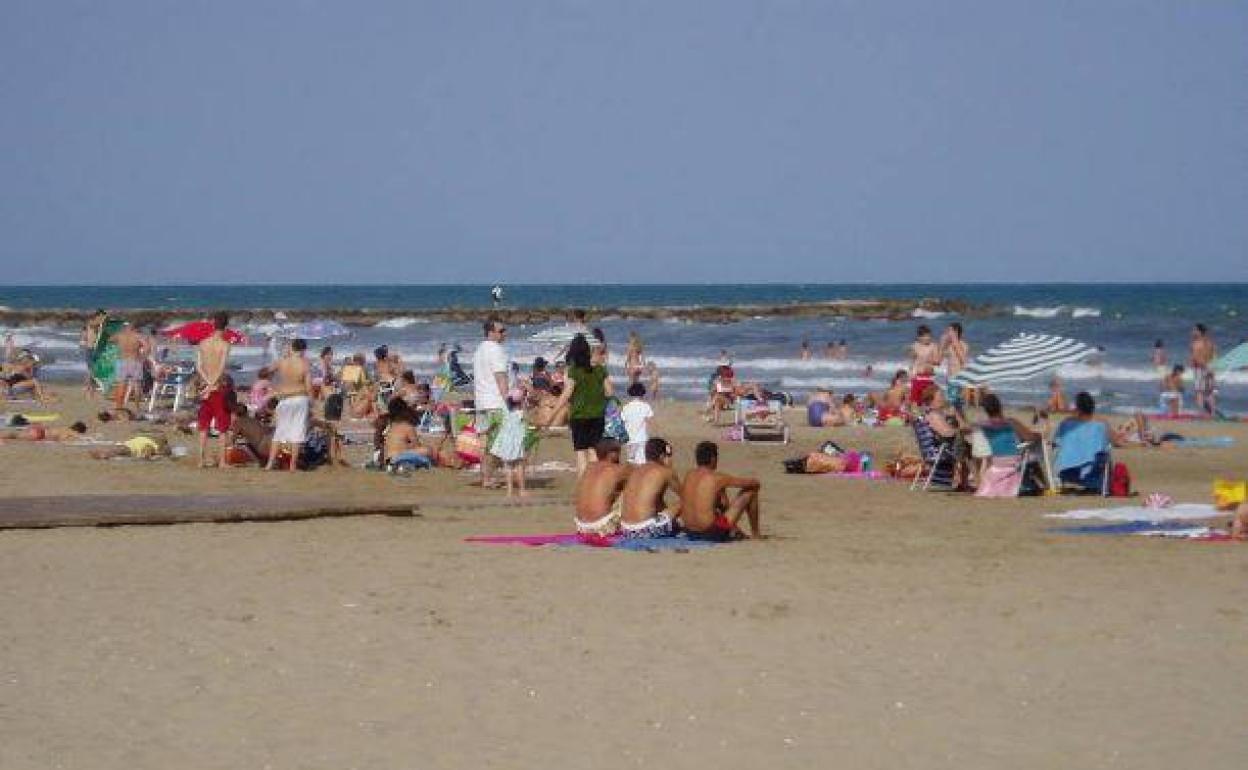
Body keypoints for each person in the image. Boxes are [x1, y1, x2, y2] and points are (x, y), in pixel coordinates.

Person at [544, 333, 612, 474]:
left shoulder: (574, 372)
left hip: (579, 415)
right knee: (593, 450)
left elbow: (566, 395)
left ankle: (583, 485)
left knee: (581, 452)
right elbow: (609, 392)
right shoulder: (600, 369)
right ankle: (594, 483)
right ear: (588, 351)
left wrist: (552, 416)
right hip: (598, 415)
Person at [680, 441, 761, 539]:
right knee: (751, 492)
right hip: (710, 532)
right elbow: (754, 483)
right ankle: (756, 534)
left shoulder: (689, 474)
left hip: (689, 531)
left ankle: (737, 531)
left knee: (716, 500)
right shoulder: (718, 478)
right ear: (713, 458)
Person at [972, 393, 1040, 498]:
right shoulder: (1011, 422)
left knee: (1023, 446)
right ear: (1000, 406)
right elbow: (1029, 437)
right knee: (1035, 446)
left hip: (997, 462)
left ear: (986, 410)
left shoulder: (985, 425)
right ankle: (1042, 482)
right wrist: (1038, 435)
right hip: (1014, 460)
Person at [1054, 392, 1121, 491]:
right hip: (1093, 471)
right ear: (1092, 407)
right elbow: (1116, 442)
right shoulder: (1101, 424)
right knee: (1103, 454)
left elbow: (1056, 442)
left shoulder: (1066, 423)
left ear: (1077, 408)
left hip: (1067, 471)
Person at [472, 318, 511, 488]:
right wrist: (508, 400)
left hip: (481, 400)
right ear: (491, 332)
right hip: (495, 401)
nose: (504, 334)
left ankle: (485, 476)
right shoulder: (496, 350)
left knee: (486, 441)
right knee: (497, 442)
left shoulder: (480, 349)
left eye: (504, 330)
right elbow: (500, 377)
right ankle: (488, 477)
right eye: (501, 331)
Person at [618, 437, 682, 538]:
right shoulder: (666, 472)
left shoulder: (635, 470)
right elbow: (686, 495)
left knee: (656, 499)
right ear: (662, 456)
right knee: (683, 502)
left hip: (625, 529)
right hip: (645, 530)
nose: (670, 459)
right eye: (668, 456)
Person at [266, 338, 312, 472]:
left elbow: (267, 371)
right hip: (299, 398)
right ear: (303, 350)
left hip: (285, 398)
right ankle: (292, 465)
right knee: (297, 433)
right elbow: (309, 387)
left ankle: (270, 463)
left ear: (292, 347)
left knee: (279, 432)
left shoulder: (282, 361)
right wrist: (312, 402)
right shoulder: (304, 364)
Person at [195, 312, 233, 469]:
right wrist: (212, 385)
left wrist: (207, 384)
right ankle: (222, 461)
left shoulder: (203, 343)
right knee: (222, 428)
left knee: (203, 426)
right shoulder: (225, 345)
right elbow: (222, 368)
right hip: (218, 389)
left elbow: (198, 367)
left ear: (213, 325)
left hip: (205, 387)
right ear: (225, 327)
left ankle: (201, 460)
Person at [572, 439, 630, 535]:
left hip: (581, 525)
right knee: (629, 487)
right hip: (602, 526)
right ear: (612, 454)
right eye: (618, 452)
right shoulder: (619, 469)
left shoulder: (589, 467)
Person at [489, 396, 529, 497]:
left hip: (505, 442)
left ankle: (509, 491)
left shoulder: (505, 411)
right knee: (519, 466)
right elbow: (526, 414)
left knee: (508, 467)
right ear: (519, 403)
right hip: (516, 443)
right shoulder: (521, 413)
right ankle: (521, 490)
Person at [111, 321, 147, 409]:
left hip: (122, 361)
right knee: (136, 385)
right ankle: (137, 407)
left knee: (121, 385)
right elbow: (147, 347)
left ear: (124, 327)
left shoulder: (119, 335)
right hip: (134, 360)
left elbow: (109, 340)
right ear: (133, 327)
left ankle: (119, 407)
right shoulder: (138, 336)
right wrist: (142, 357)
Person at [620, 382, 654, 465]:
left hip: (630, 438)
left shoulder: (626, 407)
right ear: (643, 393)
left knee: (631, 462)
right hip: (642, 438)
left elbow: (622, 421)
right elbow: (649, 421)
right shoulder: (646, 406)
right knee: (642, 462)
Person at [1189, 324, 1218, 416]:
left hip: (1200, 369)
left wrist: (1203, 365)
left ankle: (1201, 413)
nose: (1192, 332)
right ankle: (1212, 413)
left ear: (1199, 332)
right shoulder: (1210, 343)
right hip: (1210, 368)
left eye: (1194, 330)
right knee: (1210, 392)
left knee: (1199, 392)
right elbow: (1215, 357)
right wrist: (1211, 368)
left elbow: (1196, 358)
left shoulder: (1196, 344)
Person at [909, 325, 941, 405]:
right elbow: (912, 362)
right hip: (917, 375)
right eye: (925, 336)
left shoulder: (933, 346)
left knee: (929, 397)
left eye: (929, 336)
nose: (928, 338)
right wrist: (910, 372)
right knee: (916, 399)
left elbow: (937, 362)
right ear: (920, 337)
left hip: (929, 376)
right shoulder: (915, 346)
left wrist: (929, 360)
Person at [80, 309, 106, 397]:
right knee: (92, 369)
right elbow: (91, 327)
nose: (103, 318)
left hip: (95, 349)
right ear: (98, 316)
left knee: (92, 369)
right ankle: (89, 388)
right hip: (90, 349)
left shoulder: (99, 325)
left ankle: (88, 387)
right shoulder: (92, 323)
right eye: (102, 316)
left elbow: (85, 334)